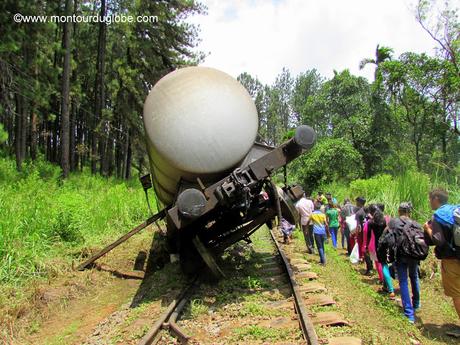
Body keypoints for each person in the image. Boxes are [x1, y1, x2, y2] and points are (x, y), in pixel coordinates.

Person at [423, 188, 460, 337]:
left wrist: (427, 229)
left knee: (457, 294)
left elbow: (438, 241)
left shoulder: (438, 216)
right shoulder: (455, 209)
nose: (429, 202)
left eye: (430, 199)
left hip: (452, 261)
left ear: (436, 199)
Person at [390, 202, 421, 323]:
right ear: (409, 212)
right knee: (414, 277)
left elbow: (389, 239)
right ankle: (416, 303)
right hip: (414, 256)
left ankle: (409, 314)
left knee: (403, 281)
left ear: (399, 211)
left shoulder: (394, 223)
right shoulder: (416, 224)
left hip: (401, 256)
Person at [369, 204, 395, 299]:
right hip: (388, 242)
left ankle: (391, 289)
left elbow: (369, 235)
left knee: (384, 265)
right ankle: (385, 285)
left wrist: (367, 246)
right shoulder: (385, 221)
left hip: (378, 245)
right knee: (389, 263)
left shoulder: (371, 223)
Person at [354, 197, 373, 275]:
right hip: (371, 233)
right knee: (371, 250)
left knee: (365, 250)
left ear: (359, 202)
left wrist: (356, 235)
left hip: (363, 234)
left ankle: (369, 269)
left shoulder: (358, 213)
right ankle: (371, 266)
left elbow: (358, 226)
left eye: (356, 202)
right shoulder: (369, 211)